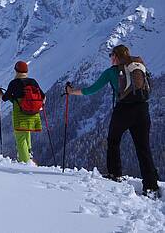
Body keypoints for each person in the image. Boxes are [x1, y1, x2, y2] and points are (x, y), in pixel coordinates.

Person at [67, 44, 160, 198]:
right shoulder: (138, 66)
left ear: (115, 56)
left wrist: (71, 91)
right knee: (143, 147)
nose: (110, 59)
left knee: (113, 140)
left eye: (111, 56)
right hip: (143, 109)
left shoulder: (111, 72)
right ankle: (151, 185)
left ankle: (114, 173)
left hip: (124, 110)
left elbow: (91, 90)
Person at [0, 61, 45, 163]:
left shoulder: (14, 83)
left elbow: (5, 98)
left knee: (20, 137)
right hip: (33, 114)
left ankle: (25, 162)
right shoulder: (33, 82)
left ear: (16, 71)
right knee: (26, 132)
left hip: (20, 114)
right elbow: (43, 96)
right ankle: (29, 153)